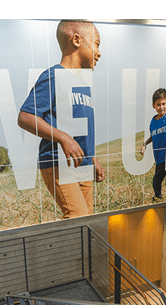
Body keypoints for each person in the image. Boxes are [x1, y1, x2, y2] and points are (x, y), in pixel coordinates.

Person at [18, 20, 105, 219]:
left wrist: (92, 158)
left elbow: (79, 129)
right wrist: (64, 138)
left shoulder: (82, 84)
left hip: (82, 164)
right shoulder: (53, 76)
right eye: (97, 44)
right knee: (77, 216)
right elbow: (25, 116)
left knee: (87, 219)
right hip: (58, 162)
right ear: (76, 40)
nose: (99, 52)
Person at [140, 88, 166, 200]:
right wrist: (145, 144)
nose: (161, 107)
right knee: (156, 180)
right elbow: (153, 136)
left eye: (163, 104)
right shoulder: (153, 121)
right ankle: (158, 197)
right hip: (159, 157)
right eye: (158, 104)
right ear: (153, 105)